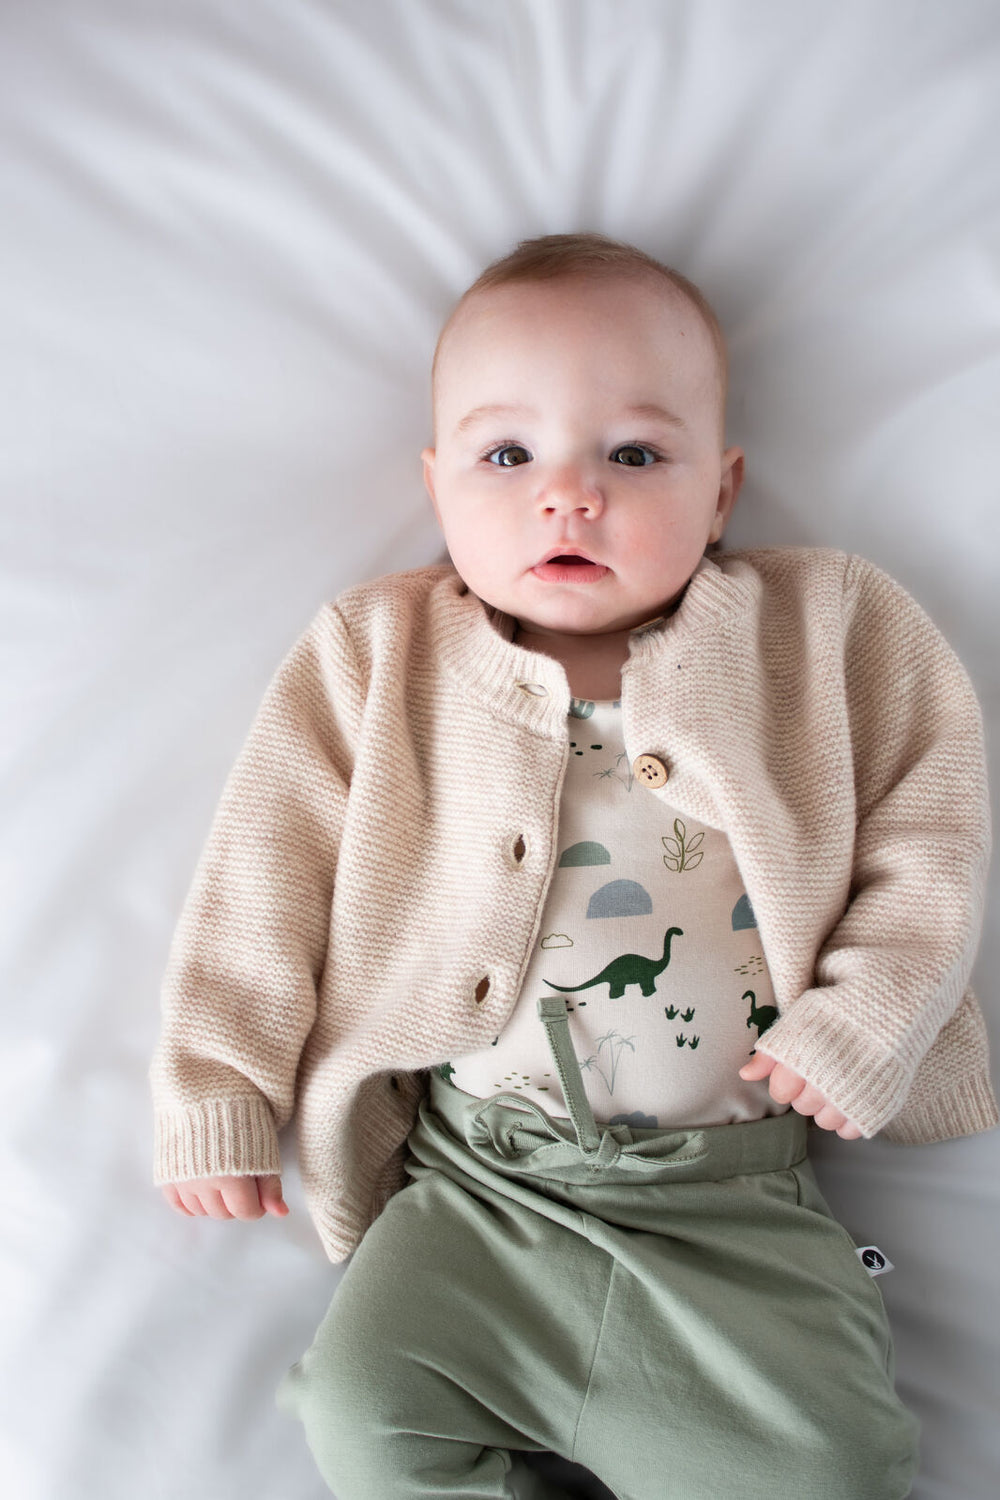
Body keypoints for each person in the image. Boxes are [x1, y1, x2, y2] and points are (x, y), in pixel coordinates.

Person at [151, 233, 995, 1499]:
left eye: (636, 455)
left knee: (829, 1467)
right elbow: (263, 880)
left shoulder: (826, 629)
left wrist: (868, 1017)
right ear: (439, 487)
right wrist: (221, 1090)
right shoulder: (375, 658)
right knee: (364, 1414)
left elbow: (932, 828)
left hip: (734, 1204)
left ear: (722, 490)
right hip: (475, 1190)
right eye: (508, 456)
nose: (569, 495)